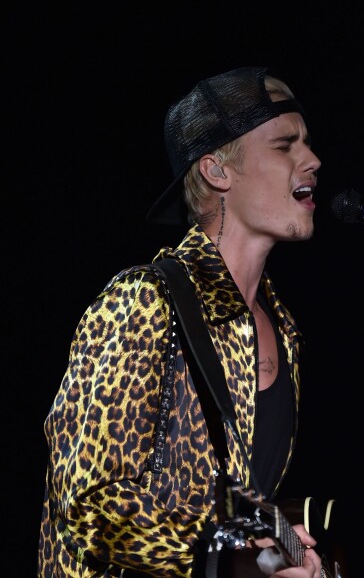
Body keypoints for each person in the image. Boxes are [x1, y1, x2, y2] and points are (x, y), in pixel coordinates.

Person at [38, 66, 327, 577]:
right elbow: (87, 497)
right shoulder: (146, 300)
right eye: (285, 145)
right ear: (217, 171)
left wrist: (279, 550)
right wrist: (226, 559)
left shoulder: (284, 331)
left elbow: (234, 507)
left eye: (306, 142)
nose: (312, 160)